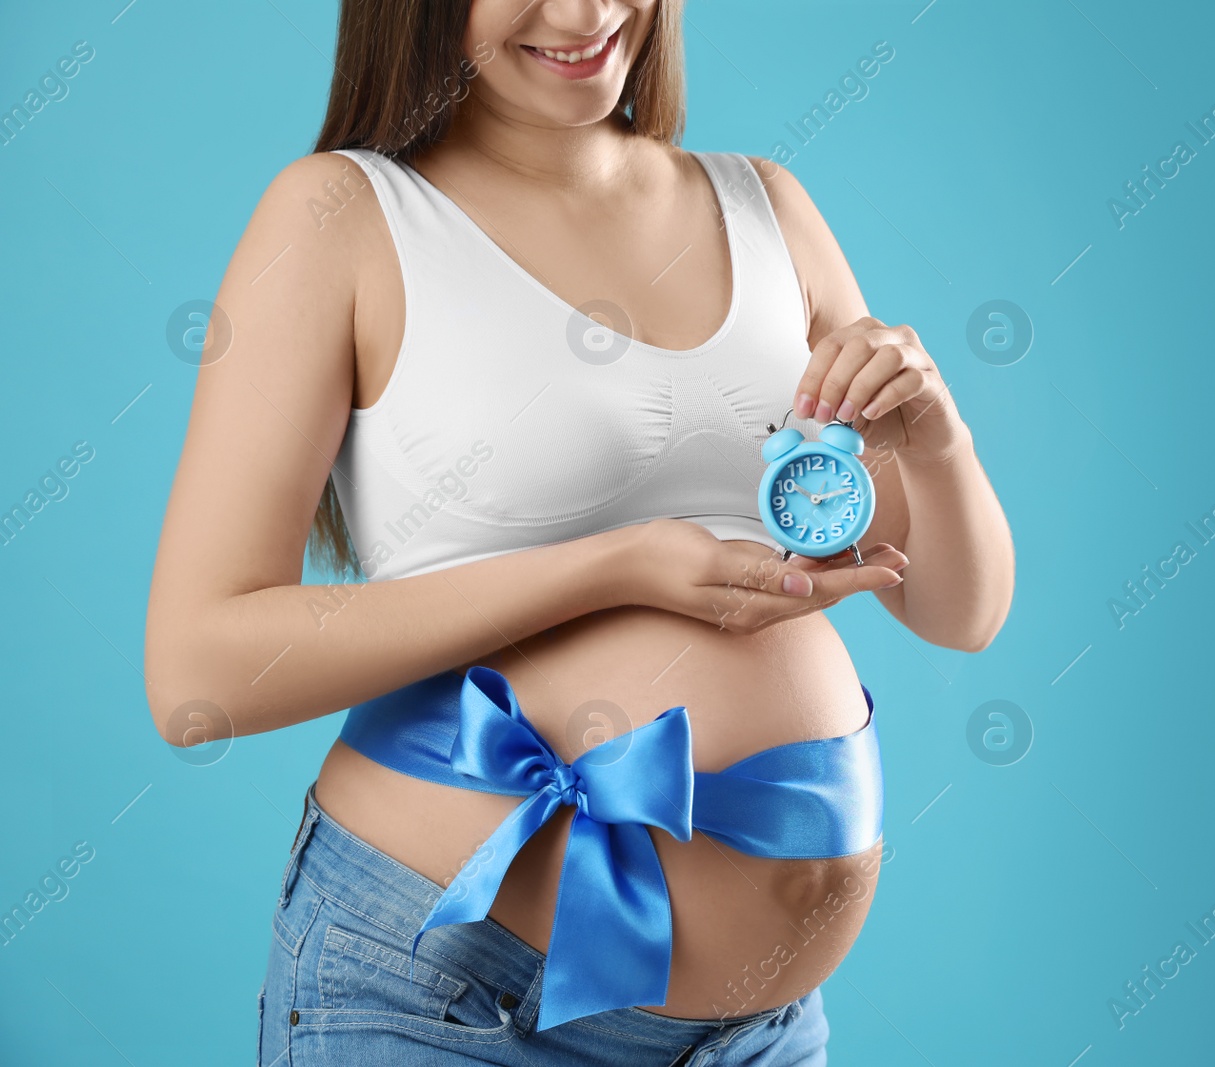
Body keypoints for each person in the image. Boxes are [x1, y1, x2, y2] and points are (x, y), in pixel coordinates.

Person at [143, 1, 1013, 1063]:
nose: (585, 10)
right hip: (445, 993)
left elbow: (961, 612)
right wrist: (615, 568)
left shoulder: (767, 207)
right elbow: (198, 676)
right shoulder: (344, 214)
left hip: (758, 1033)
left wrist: (936, 433)